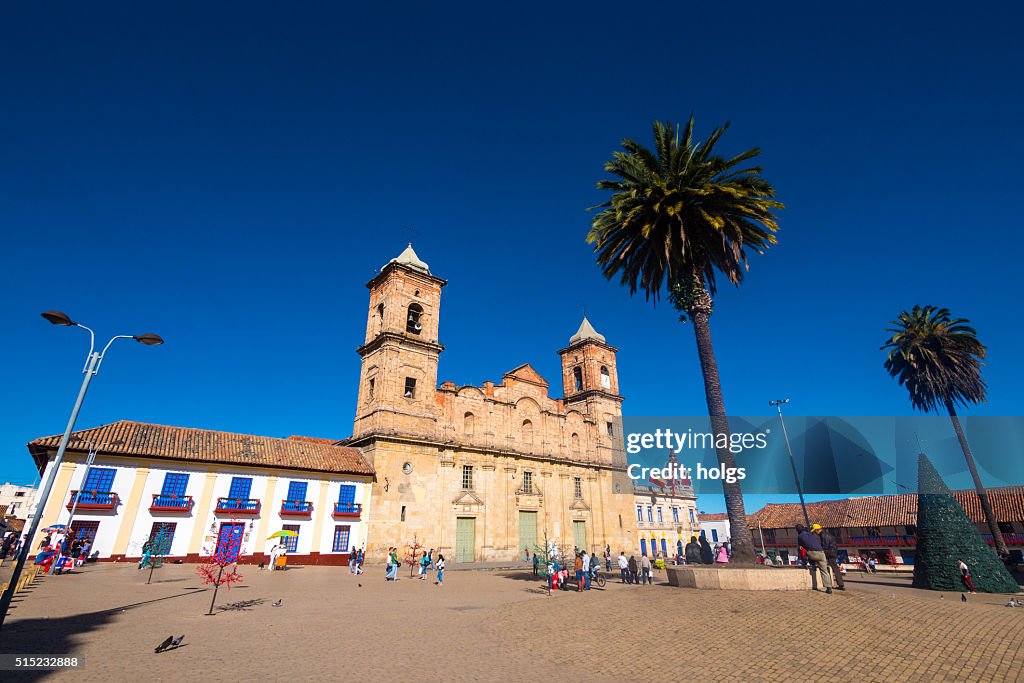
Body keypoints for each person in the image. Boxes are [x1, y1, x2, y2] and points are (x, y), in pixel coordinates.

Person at [796, 524, 832, 594]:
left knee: (802, 551)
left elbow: (801, 546)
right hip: (821, 552)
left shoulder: (800, 536)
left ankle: (811, 565)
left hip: (812, 553)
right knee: (824, 571)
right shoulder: (811, 534)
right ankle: (829, 588)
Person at [814, 524, 845, 591]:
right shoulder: (827, 534)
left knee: (824, 566)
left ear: (817, 530)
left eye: (815, 531)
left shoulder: (823, 535)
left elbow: (825, 546)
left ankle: (830, 585)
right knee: (835, 568)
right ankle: (840, 584)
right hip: (833, 551)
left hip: (829, 552)